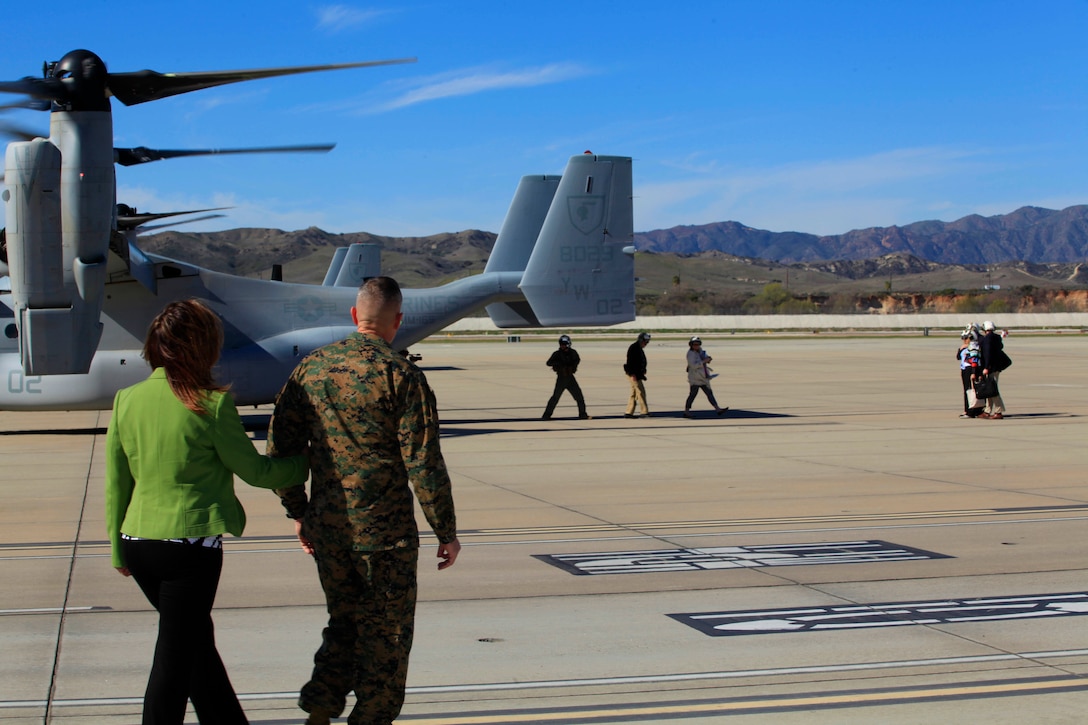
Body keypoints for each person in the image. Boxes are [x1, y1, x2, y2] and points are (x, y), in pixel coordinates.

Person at [105, 299, 309, 725]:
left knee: (195, 645)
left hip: (138, 543)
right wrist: (306, 463)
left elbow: (117, 483)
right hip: (188, 548)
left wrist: (117, 549)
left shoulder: (126, 400)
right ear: (204, 347)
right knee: (175, 662)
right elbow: (256, 472)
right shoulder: (210, 405)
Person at [267, 276, 460, 725]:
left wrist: (299, 511)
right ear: (398, 321)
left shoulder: (312, 369)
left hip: (329, 530)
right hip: (385, 537)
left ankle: (319, 712)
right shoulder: (403, 375)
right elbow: (423, 463)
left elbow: (281, 449)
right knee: (387, 638)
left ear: (355, 315)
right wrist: (445, 531)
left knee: (344, 622)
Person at [542, 334, 590, 420]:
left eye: (564, 344)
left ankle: (583, 414)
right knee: (555, 397)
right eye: (561, 344)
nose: (562, 346)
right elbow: (548, 363)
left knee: (579, 397)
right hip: (562, 378)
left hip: (570, 378)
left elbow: (577, 360)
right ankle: (546, 415)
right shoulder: (557, 354)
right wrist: (560, 364)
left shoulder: (573, 353)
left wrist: (571, 366)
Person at [683, 336, 728, 417]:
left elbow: (705, 357)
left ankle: (717, 409)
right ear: (691, 345)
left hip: (703, 377)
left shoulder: (700, 351)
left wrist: (708, 359)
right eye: (695, 344)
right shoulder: (690, 354)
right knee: (693, 395)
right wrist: (703, 361)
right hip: (695, 378)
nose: (696, 346)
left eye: (698, 344)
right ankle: (686, 411)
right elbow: (693, 366)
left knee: (709, 393)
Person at [978, 320, 1011, 419]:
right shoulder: (996, 338)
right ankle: (987, 410)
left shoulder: (988, 339)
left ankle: (998, 411)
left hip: (991, 368)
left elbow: (988, 354)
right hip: (996, 367)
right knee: (989, 389)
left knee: (992, 389)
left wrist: (986, 367)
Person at [623, 332, 652, 418]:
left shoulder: (638, 348)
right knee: (641, 392)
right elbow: (630, 362)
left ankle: (629, 412)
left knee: (634, 393)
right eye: (645, 342)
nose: (646, 344)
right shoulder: (634, 348)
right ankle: (644, 412)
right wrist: (632, 374)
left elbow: (641, 361)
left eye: (647, 342)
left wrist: (643, 370)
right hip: (633, 375)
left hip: (637, 374)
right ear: (641, 340)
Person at [956, 329, 982, 418]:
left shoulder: (973, 347)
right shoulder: (965, 347)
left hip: (970, 370)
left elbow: (975, 360)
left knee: (971, 390)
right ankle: (968, 410)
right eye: (963, 338)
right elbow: (958, 357)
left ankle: (971, 411)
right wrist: (960, 349)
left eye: (965, 338)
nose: (964, 340)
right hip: (964, 370)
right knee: (967, 390)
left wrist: (973, 373)